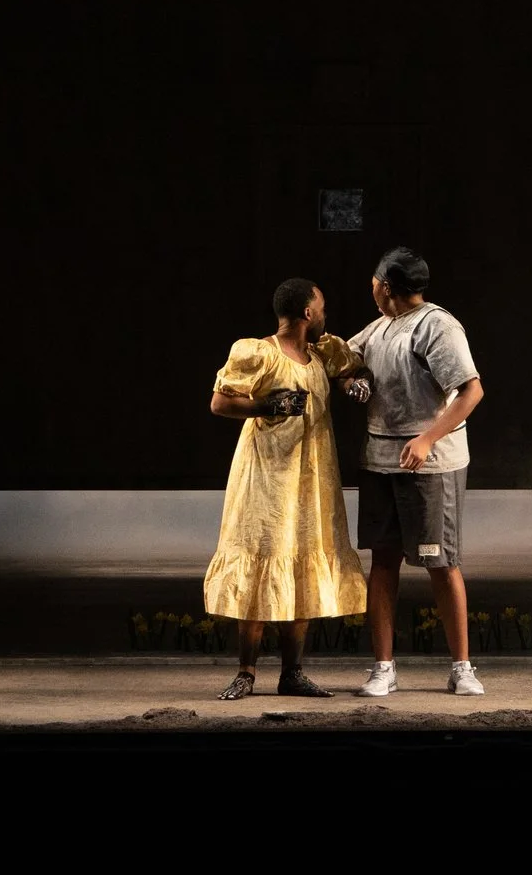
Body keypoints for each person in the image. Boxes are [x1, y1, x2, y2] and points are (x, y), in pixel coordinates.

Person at [203, 277, 368, 700]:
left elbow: (350, 371)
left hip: (310, 479)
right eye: (322, 308)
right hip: (266, 478)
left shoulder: (321, 353)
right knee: (261, 561)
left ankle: (292, 672)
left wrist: (354, 384)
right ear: (308, 313)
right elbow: (220, 402)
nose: (325, 315)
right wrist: (265, 405)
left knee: (301, 563)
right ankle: (246, 671)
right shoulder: (259, 352)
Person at [343, 247, 487, 697]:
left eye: (374, 281)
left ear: (385, 285)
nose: (371, 287)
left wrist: (427, 438)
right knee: (383, 561)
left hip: (431, 465)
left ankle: (462, 667)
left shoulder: (436, 325)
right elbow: (342, 359)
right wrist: (351, 380)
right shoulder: (380, 327)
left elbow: (471, 391)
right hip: (380, 461)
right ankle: (383, 668)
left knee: (441, 563)